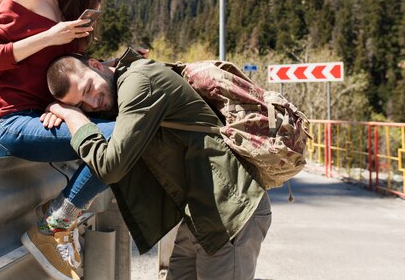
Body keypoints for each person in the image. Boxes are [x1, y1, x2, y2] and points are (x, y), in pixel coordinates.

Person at [44, 48, 272, 280]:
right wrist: (62, 112)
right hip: (200, 218)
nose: (92, 102)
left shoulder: (139, 82)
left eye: (88, 89)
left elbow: (110, 167)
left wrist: (73, 117)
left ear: (96, 65)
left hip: (231, 213)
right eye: (81, 105)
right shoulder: (122, 85)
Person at [0, 0, 114, 280]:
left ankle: (58, 224)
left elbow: (60, 74)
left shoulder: (65, 6)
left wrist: (104, 70)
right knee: (116, 139)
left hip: (42, 117)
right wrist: (50, 36)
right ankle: (53, 226)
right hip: (7, 121)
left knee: (126, 134)